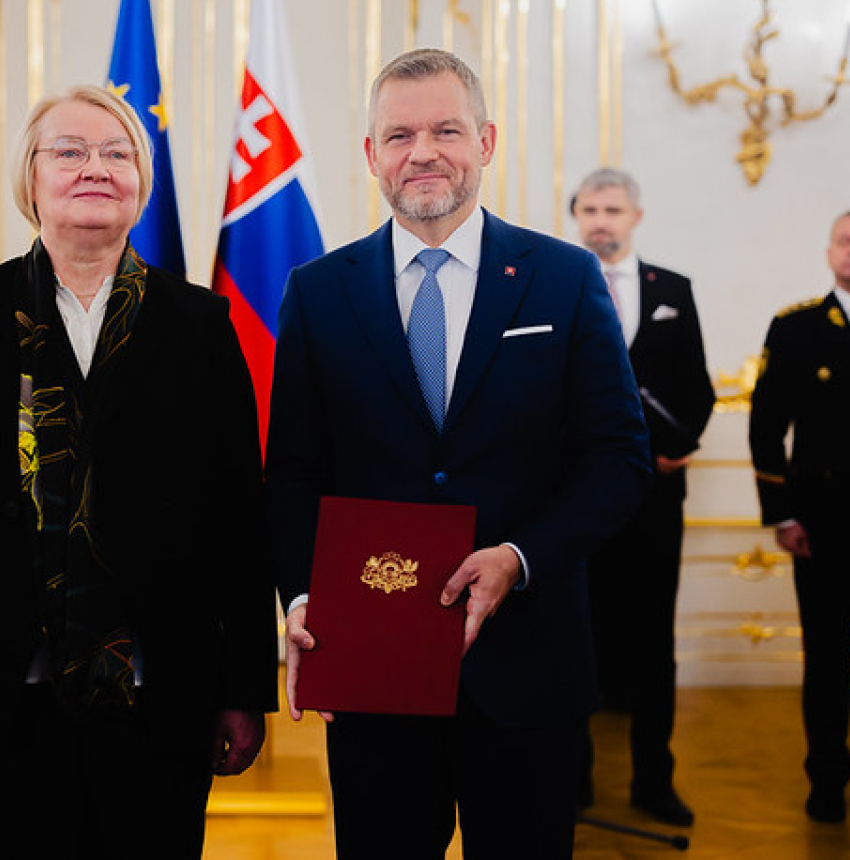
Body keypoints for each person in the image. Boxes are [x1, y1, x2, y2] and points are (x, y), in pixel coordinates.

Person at [0, 84, 276, 860]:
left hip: (163, 689)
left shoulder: (200, 323)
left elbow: (238, 519)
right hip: (1, 684)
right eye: (68, 151)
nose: (95, 166)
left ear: (140, 184)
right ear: (30, 179)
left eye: (116, 152)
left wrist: (244, 689)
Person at [268, 49, 650, 859]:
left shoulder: (563, 278)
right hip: (371, 672)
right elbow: (294, 473)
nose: (423, 151)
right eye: (399, 134)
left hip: (529, 668)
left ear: (486, 141)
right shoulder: (317, 291)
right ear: (371, 154)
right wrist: (304, 602)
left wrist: (519, 556)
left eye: (446, 129)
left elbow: (618, 460)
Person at [572, 168, 715, 827]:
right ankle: (571, 781)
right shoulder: (556, 283)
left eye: (613, 209)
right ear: (576, 215)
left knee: (653, 642)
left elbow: (698, 388)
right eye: (590, 208)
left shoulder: (673, 291)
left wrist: (676, 444)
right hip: (575, 499)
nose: (601, 220)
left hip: (657, 497)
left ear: (636, 217)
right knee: (575, 639)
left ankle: (654, 782)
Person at [749, 209, 850, 823]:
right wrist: (781, 515)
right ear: (830, 252)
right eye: (846, 241)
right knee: (827, 661)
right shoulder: (796, 327)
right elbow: (766, 428)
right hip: (823, 525)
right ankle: (826, 779)